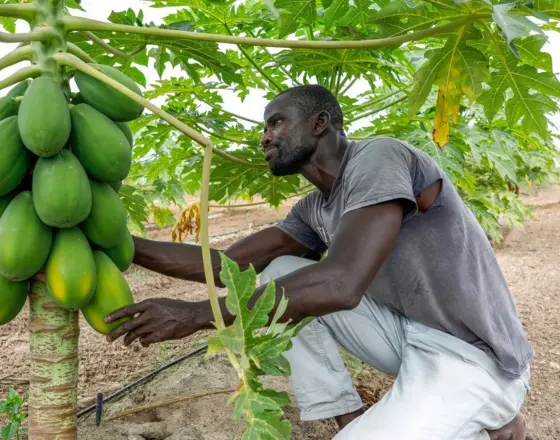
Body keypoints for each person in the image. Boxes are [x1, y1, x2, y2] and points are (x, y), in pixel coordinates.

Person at [103, 84, 533, 439]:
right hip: (410, 338)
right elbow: (227, 267)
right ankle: (353, 418)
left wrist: (200, 315)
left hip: (473, 356)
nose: (265, 137)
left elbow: (342, 284)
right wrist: (116, 242)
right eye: (264, 128)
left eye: (277, 122)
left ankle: (490, 410)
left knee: (308, 285)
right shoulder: (314, 208)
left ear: (320, 122)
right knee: (280, 272)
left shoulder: (379, 157)